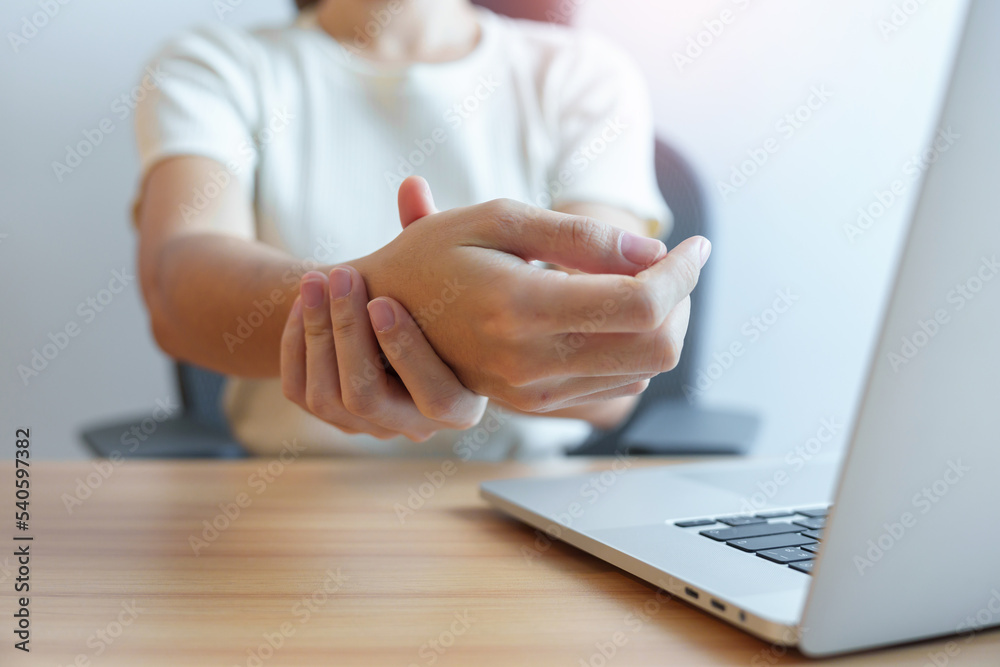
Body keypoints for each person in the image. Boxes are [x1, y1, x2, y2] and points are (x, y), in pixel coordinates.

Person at [133, 0, 710, 459]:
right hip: (288, 512)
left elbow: (605, 370)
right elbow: (177, 282)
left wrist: (406, 319)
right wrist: (407, 302)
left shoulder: (580, 74)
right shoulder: (216, 65)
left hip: (523, 515)